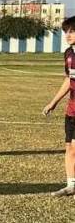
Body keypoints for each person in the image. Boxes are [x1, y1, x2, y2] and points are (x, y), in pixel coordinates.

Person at [41, 15, 75, 197]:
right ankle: (71, 185)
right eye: (66, 32)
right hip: (72, 108)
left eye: (72, 31)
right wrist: (53, 102)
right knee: (69, 147)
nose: (68, 35)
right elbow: (69, 79)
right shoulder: (69, 54)